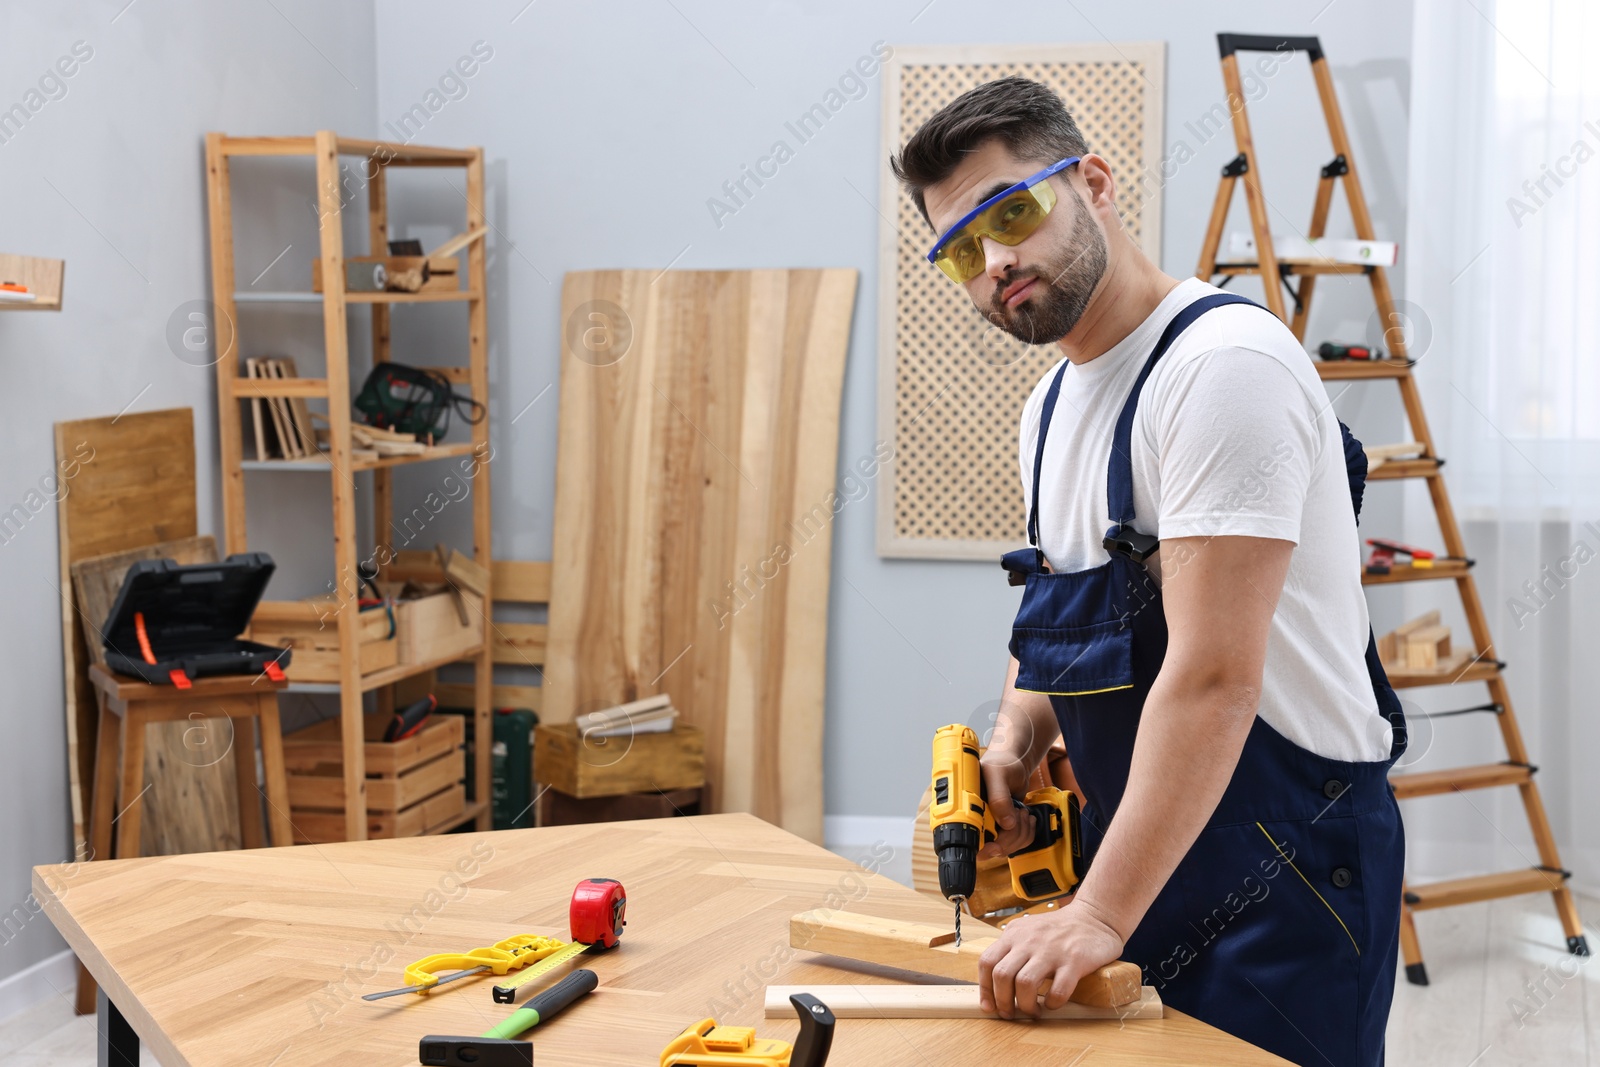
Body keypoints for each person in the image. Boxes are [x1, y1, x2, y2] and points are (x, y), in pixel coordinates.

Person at [889, 75, 1407, 1066]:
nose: (994, 262)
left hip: (1283, 863)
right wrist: (1011, 738)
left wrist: (1096, 911)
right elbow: (1057, 618)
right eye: (960, 249)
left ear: (1093, 180)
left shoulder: (1220, 368)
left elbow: (1215, 674)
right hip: (1136, 849)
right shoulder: (1046, 410)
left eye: (1014, 212)